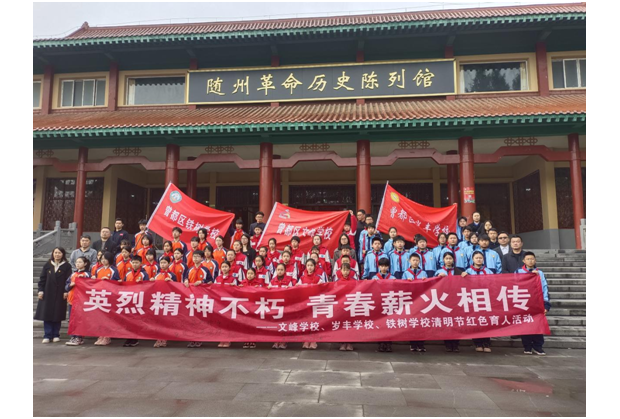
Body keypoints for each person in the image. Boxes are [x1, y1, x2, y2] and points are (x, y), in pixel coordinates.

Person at [515, 251, 551, 356]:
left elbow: (544, 288)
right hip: (524, 302)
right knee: (525, 325)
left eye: (532, 259)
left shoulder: (540, 273)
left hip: (537, 302)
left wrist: (546, 304)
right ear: (523, 261)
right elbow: (515, 285)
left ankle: (538, 346)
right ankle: (527, 346)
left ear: (535, 260)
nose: (530, 261)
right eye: (528, 259)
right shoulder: (518, 272)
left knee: (537, 325)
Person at [35, 247, 73, 344]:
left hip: (60, 293)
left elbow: (68, 280)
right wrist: (40, 291)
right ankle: (47, 335)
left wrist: (66, 291)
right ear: (53, 254)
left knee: (57, 314)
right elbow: (42, 279)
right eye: (55, 252)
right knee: (46, 314)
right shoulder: (48, 264)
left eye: (59, 253)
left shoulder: (66, 266)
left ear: (63, 254)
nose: (57, 254)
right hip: (48, 293)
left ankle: (56, 334)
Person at [462, 250, 495, 353]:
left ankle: (486, 343)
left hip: (486, 299)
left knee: (486, 321)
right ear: (473, 259)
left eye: (480, 258)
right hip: (473, 299)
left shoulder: (488, 271)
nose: (479, 260)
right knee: (475, 321)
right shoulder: (468, 271)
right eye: (476, 258)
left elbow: (494, 283)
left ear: (483, 259)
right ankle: (477, 343)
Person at [435, 252, 464, 352]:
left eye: (450, 258)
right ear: (443, 260)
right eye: (446, 258)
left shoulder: (459, 271)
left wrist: (465, 275)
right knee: (446, 322)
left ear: (453, 260)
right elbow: (433, 284)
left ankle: (455, 344)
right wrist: (438, 277)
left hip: (456, 299)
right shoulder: (439, 271)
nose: (448, 260)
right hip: (444, 300)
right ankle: (447, 343)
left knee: (456, 322)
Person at [297, 259, 325, 350]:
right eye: (308, 265)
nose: (309, 267)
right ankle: (306, 340)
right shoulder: (302, 278)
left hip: (314, 303)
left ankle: (313, 340)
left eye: (311, 265)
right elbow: (297, 288)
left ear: (315, 266)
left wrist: (320, 285)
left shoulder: (318, 278)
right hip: (305, 303)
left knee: (314, 321)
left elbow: (324, 288)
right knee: (306, 322)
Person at [93, 252, 120, 346]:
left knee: (108, 317)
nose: (103, 261)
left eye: (105, 259)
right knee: (100, 317)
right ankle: (100, 335)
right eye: (102, 259)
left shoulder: (114, 270)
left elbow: (117, 282)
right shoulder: (98, 270)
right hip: (99, 295)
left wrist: (109, 281)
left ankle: (107, 336)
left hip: (109, 295)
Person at [403, 252, 428, 352]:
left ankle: (421, 344)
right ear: (409, 261)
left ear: (420, 261)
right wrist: (406, 282)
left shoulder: (423, 273)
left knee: (421, 322)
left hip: (421, 300)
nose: (415, 262)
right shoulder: (406, 273)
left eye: (417, 260)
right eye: (413, 260)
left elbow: (428, 286)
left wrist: (425, 281)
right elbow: (401, 286)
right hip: (411, 300)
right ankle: (413, 344)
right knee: (412, 322)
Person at [122, 255, 148, 347]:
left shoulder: (144, 274)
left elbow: (147, 286)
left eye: (136, 262)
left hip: (139, 299)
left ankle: (134, 338)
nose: (134, 264)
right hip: (129, 299)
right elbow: (124, 285)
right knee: (128, 319)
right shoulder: (128, 274)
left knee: (136, 319)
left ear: (141, 263)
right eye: (133, 262)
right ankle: (129, 337)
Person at [151, 256, 177, 348]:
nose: (162, 265)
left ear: (169, 264)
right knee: (159, 320)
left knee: (166, 320)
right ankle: (159, 338)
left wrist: (171, 281)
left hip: (168, 299)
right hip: (158, 299)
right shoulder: (157, 275)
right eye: (161, 263)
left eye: (165, 263)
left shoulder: (172, 275)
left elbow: (177, 287)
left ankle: (165, 338)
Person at [64, 256, 90, 346]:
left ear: (85, 264)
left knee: (79, 319)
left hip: (81, 300)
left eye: (80, 262)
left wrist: (83, 280)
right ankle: (73, 336)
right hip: (72, 299)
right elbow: (66, 286)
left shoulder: (87, 274)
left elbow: (90, 285)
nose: (78, 264)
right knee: (72, 319)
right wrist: (70, 285)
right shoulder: (73, 274)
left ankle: (79, 337)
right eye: (77, 262)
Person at [269, 263, 293, 350]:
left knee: (284, 323)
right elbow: (268, 293)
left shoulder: (289, 281)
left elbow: (292, 293)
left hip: (285, 306)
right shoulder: (272, 281)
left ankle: (284, 341)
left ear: (285, 271)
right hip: (275, 306)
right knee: (275, 323)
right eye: (278, 270)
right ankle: (276, 340)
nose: (280, 271)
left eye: (281, 270)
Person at [372, 258, 395, 352]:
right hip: (379, 303)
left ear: (388, 267)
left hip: (389, 303)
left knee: (389, 324)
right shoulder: (375, 278)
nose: (384, 268)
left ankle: (389, 343)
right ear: (378, 266)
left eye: (385, 266)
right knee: (380, 324)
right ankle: (381, 343)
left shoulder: (392, 278)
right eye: (382, 266)